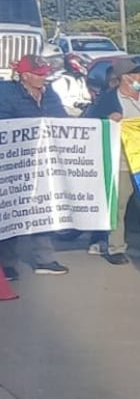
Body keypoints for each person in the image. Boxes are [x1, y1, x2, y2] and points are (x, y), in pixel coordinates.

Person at [82, 57, 140, 264]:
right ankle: (115, 247)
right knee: (119, 205)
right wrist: (107, 121)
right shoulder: (108, 100)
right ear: (125, 78)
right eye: (137, 73)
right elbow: (91, 126)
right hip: (122, 162)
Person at [0, 55, 71, 278]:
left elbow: (62, 119)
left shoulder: (50, 94)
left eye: (45, 73)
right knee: (12, 211)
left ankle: (45, 259)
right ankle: (7, 263)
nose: (44, 77)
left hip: (44, 162)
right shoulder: (6, 93)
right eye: (39, 74)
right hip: (15, 163)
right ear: (24, 75)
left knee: (43, 208)